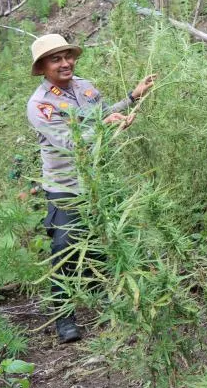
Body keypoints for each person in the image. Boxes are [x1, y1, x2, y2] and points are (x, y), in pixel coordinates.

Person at [26, 34, 156, 343]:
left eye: (67, 56)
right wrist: (106, 125)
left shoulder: (85, 87)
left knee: (108, 242)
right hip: (66, 187)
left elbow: (104, 111)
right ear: (43, 66)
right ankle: (64, 318)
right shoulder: (40, 104)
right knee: (65, 250)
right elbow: (71, 143)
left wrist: (131, 98)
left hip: (100, 182)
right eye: (56, 59)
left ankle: (113, 303)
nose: (65, 63)